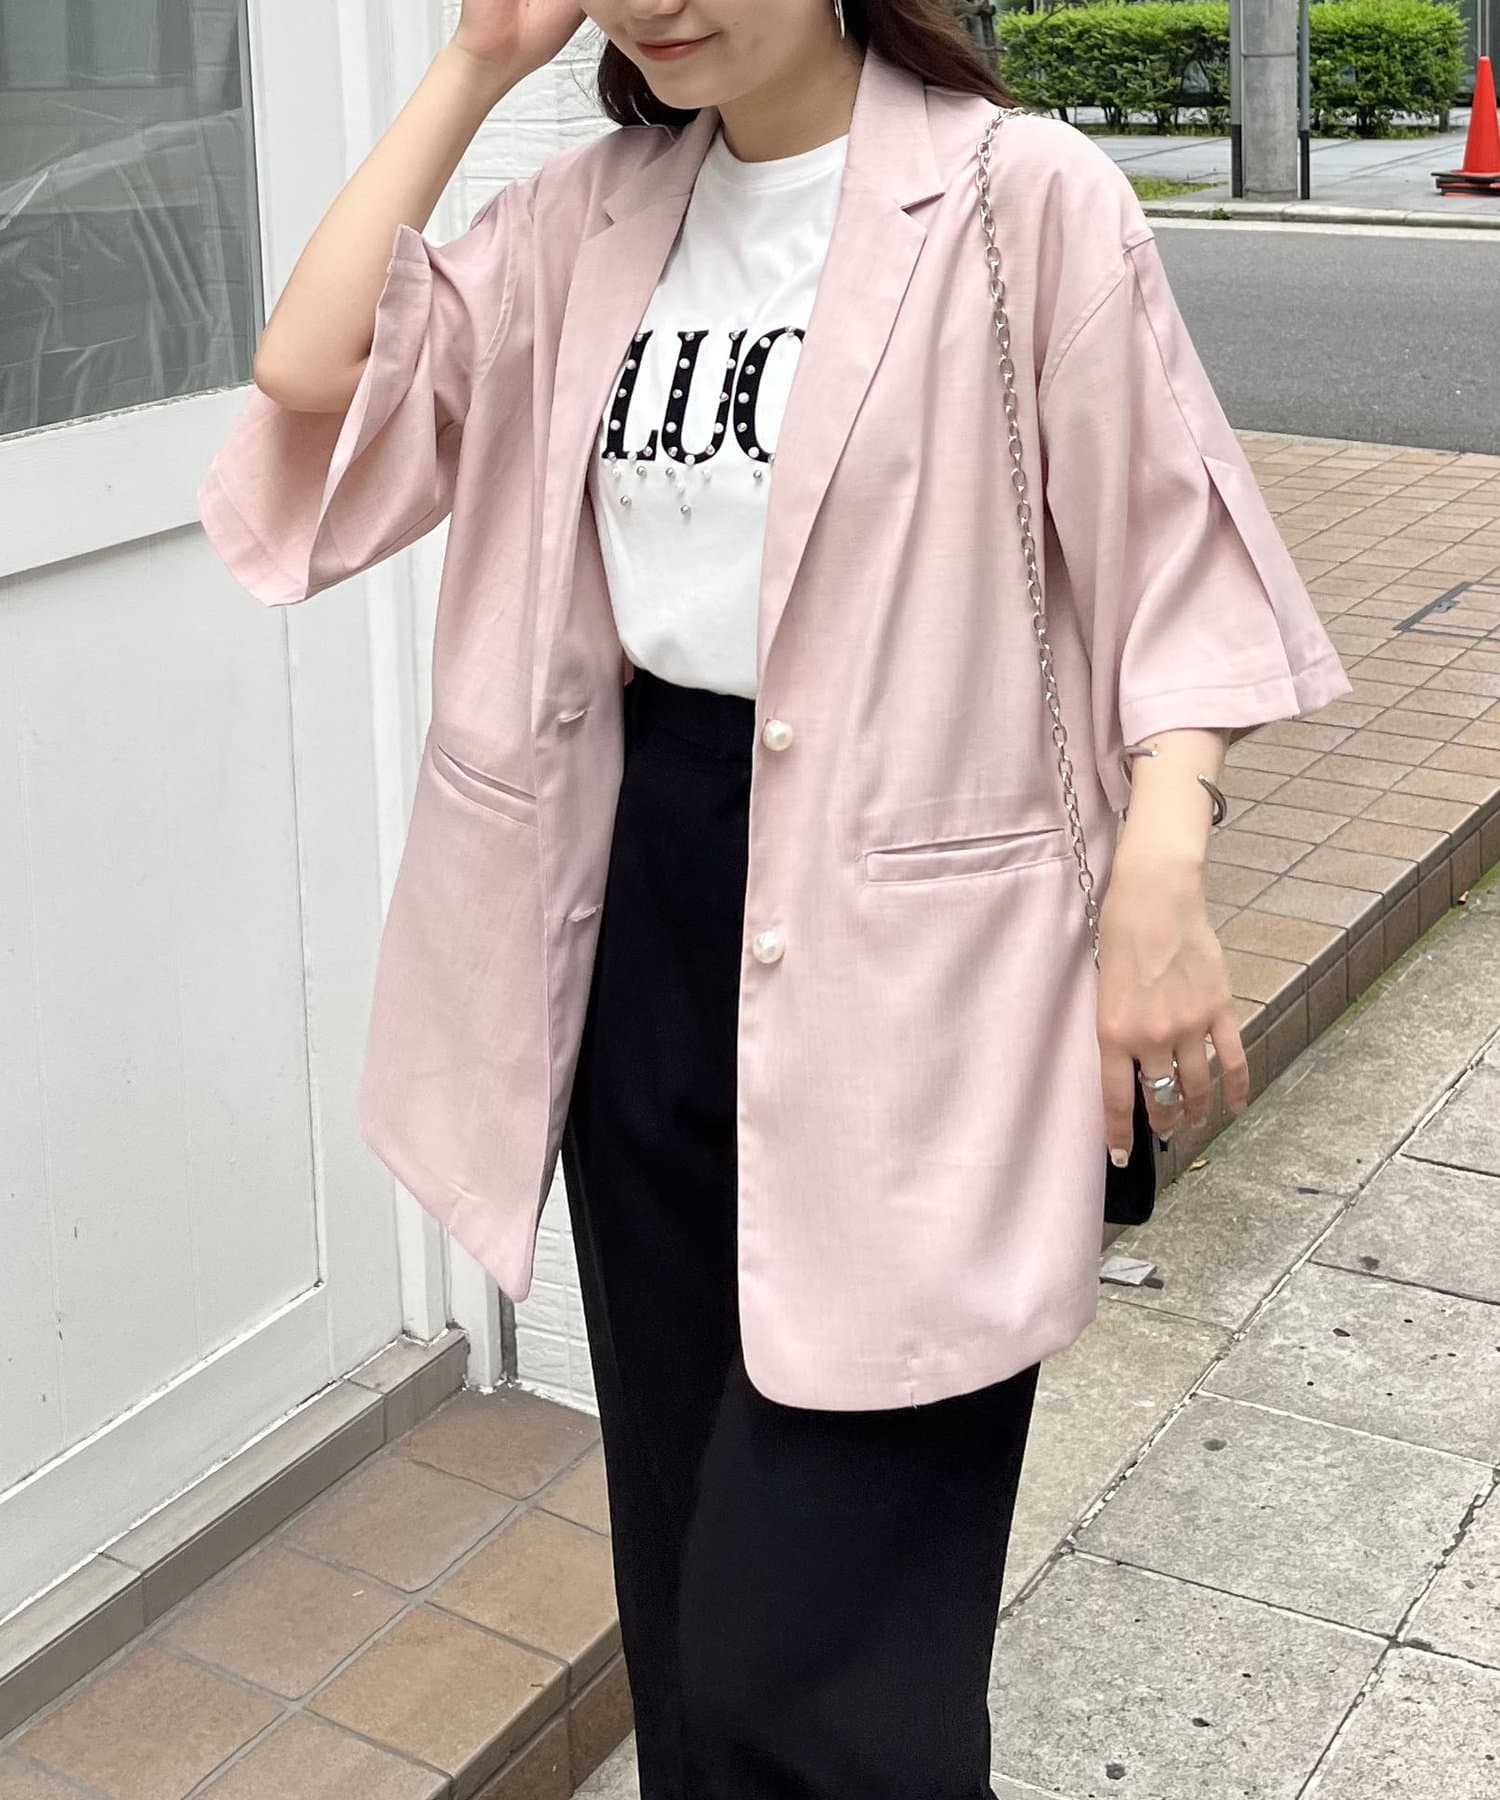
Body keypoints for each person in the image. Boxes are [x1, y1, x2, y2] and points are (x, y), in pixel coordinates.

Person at [198, 2, 1351, 1794]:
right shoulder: (584, 220)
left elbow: (1173, 556)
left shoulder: (1021, 198)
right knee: (681, 1593)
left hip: (922, 959)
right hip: (643, 918)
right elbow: (309, 375)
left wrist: (1164, 863)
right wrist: (476, 62)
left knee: (808, 1663)